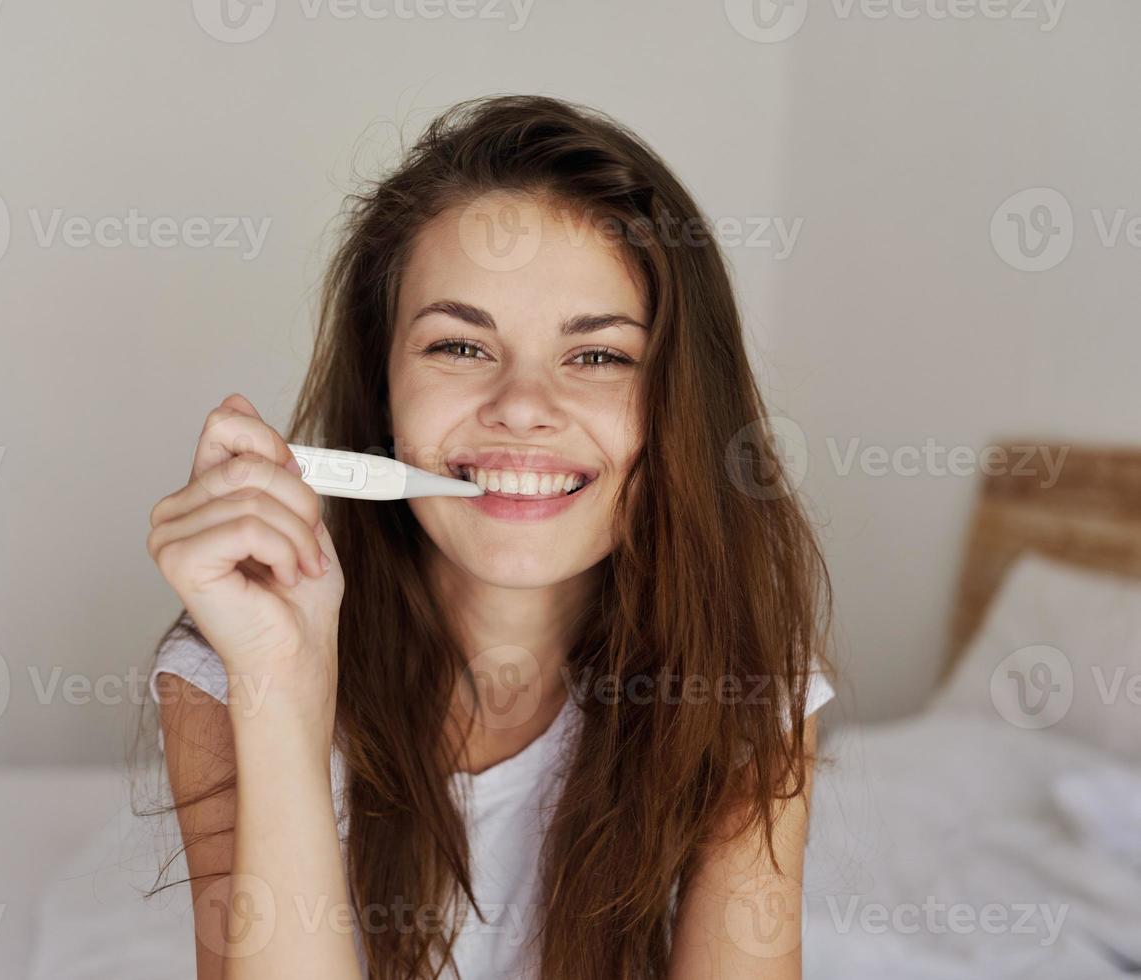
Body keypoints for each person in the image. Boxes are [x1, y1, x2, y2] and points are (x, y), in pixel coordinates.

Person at [140, 93, 835, 980]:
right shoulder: (222, 670)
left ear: (680, 412)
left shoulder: (745, 689)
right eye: (459, 348)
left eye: (598, 356)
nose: (520, 408)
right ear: (383, 386)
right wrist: (280, 687)